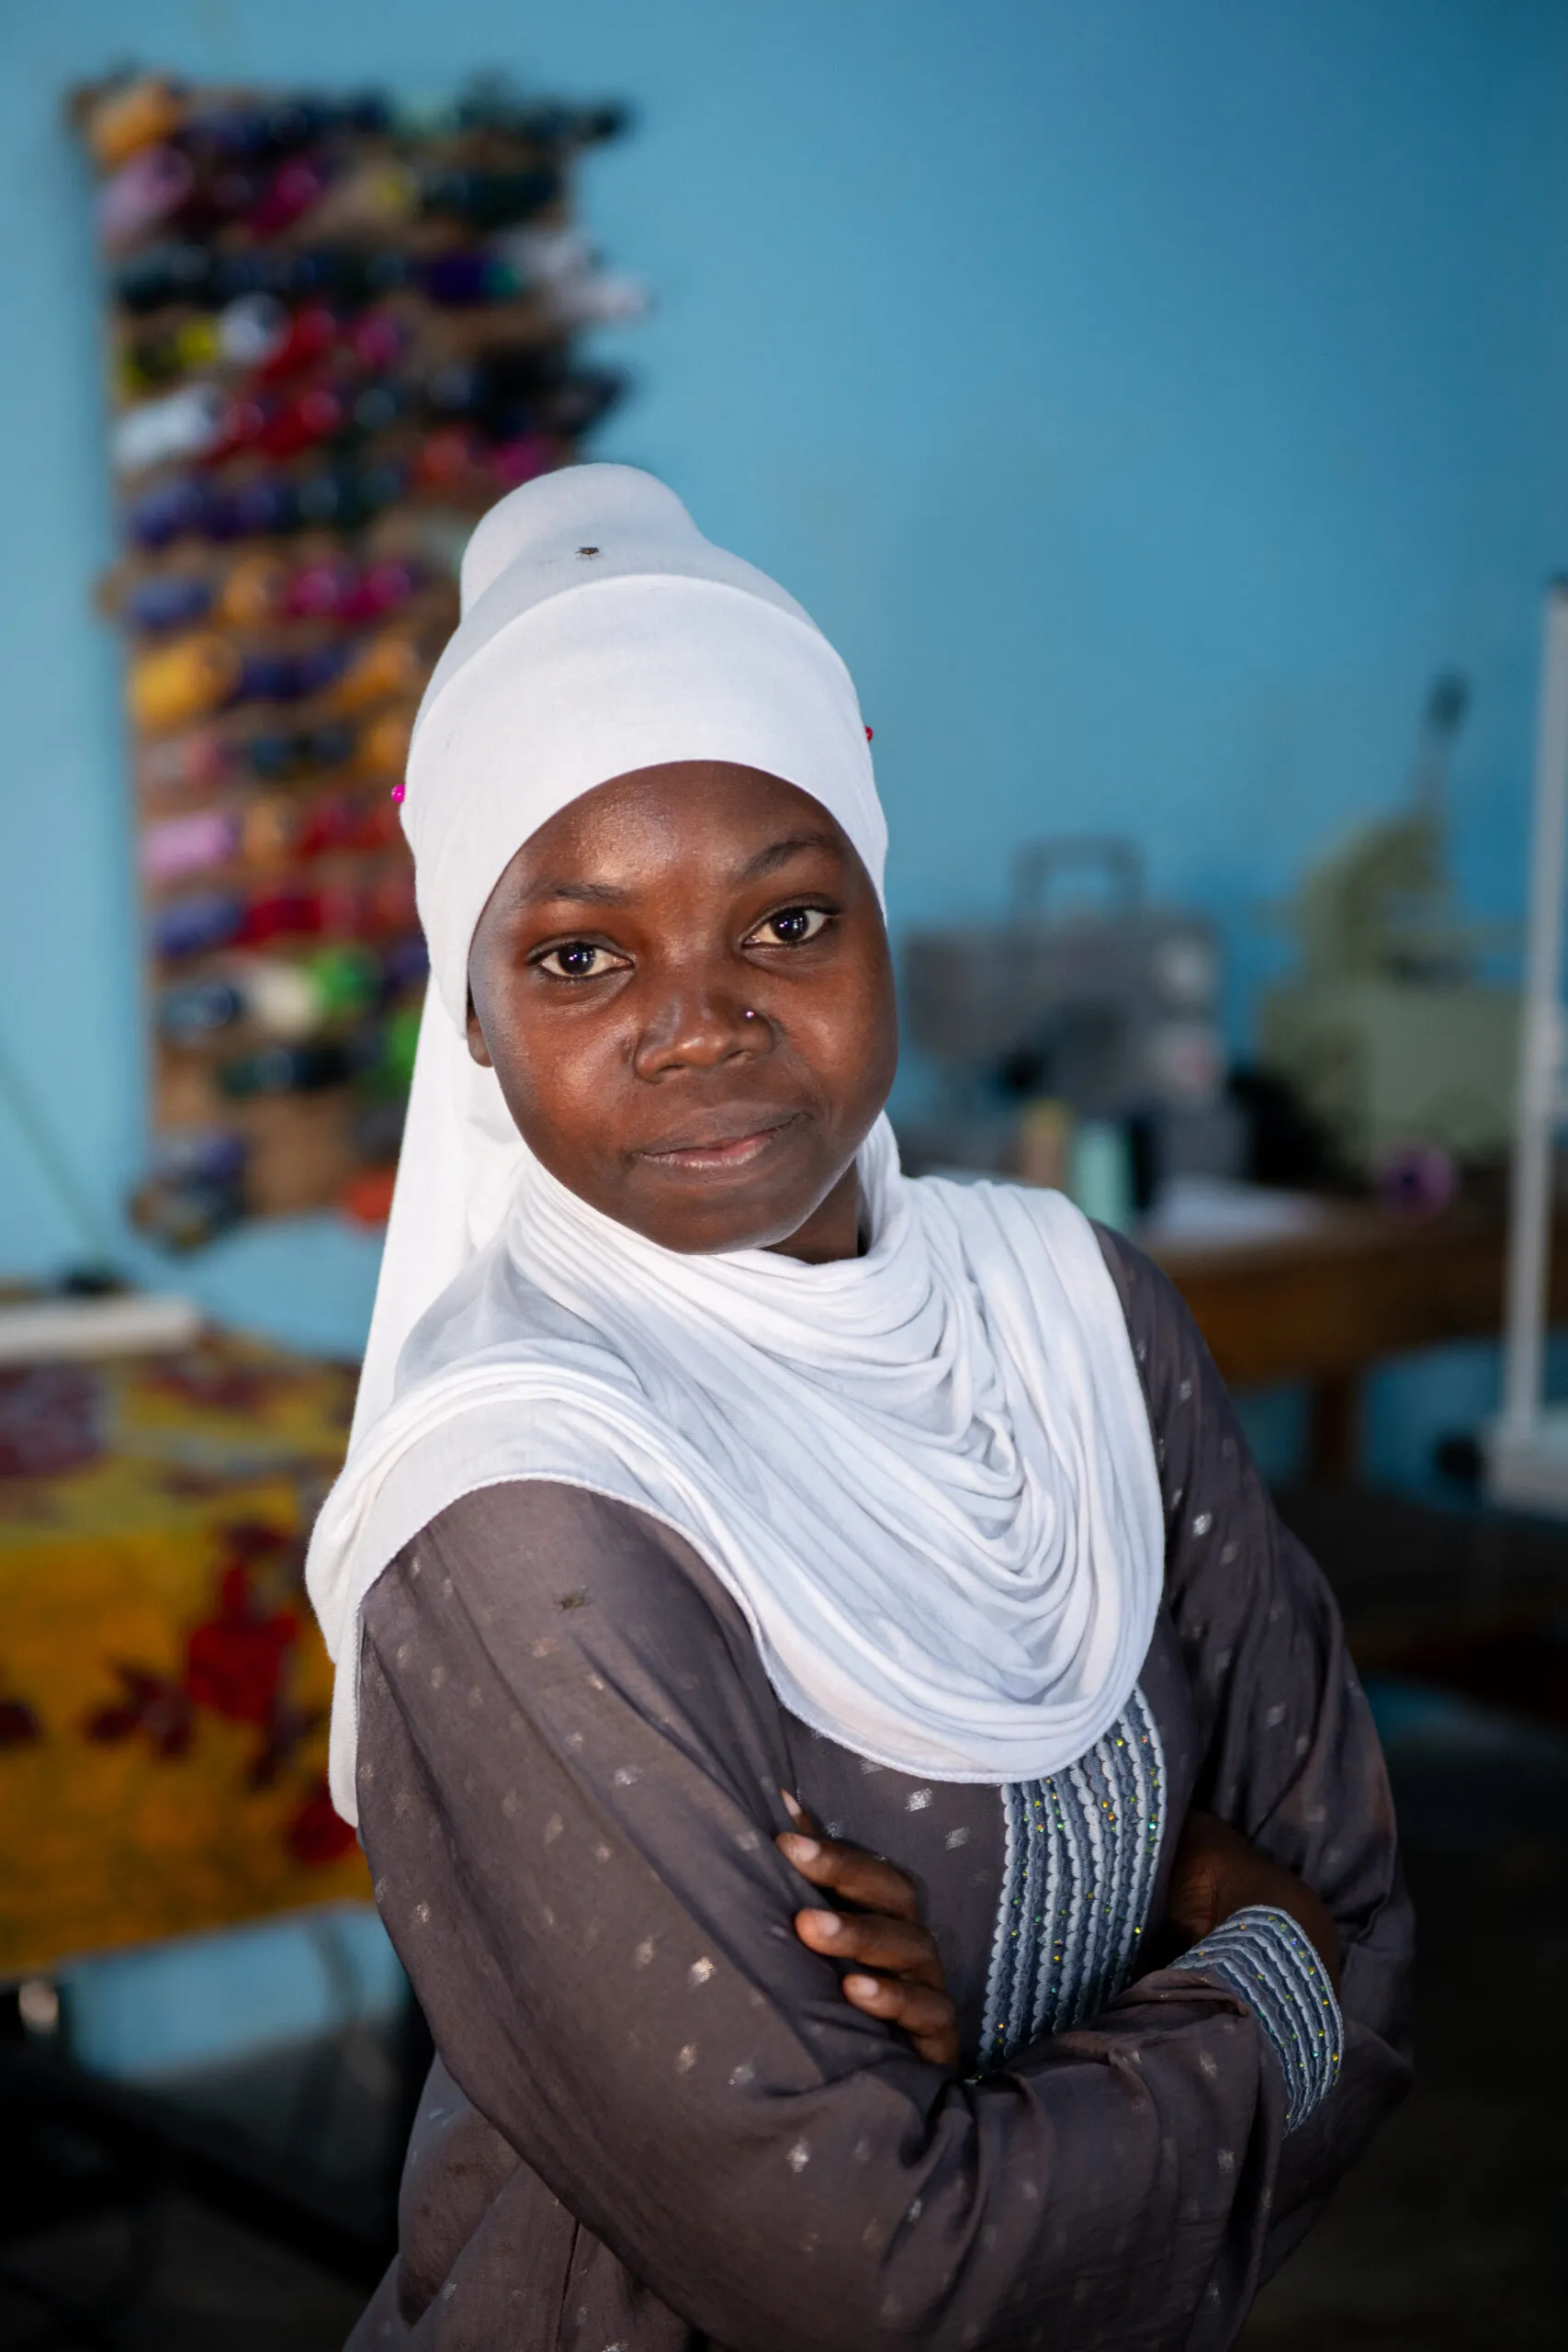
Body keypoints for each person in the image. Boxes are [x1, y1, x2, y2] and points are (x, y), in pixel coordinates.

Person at [307, 465, 1411, 2351]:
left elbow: (1379, 1940)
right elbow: (876, 2275)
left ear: (877, 913)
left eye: (788, 922)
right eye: (580, 953)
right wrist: (1246, 1958)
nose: (700, 1019)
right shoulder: (521, 1506)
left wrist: (997, 2012)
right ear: (473, 1021)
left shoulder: (1073, 1313)